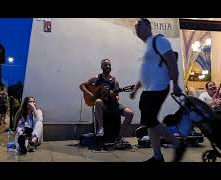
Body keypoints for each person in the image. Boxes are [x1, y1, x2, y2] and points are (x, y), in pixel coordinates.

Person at [129, 18, 184, 162]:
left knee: (150, 121)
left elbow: (172, 61)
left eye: (139, 25)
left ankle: (177, 143)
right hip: (149, 90)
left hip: (159, 87)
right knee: (150, 123)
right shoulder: (148, 46)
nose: (137, 28)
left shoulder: (159, 41)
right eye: (135, 27)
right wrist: (135, 90)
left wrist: (176, 85)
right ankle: (158, 156)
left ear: (148, 25)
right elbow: (145, 73)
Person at [79, 59, 134, 142]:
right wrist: (90, 94)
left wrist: (113, 96)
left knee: (130, 113)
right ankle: (101, 128)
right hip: (103, 105)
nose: (108, 67)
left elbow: (117, 97)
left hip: (113, 104)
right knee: (98, 101)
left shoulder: (115, 81)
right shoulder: (97, 78)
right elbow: (82, 85)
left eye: (109, 65)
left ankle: (120, 138)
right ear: (101, 67)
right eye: (105, 65)